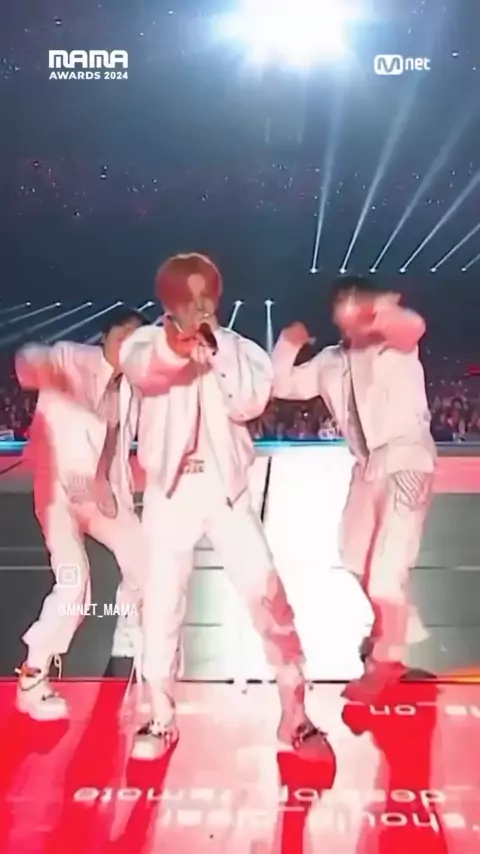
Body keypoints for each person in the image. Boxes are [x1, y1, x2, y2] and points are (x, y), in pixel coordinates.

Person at [119, 252, 330, 760]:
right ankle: (160, 716)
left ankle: (296, 715)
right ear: (168, 303)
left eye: (206, 295)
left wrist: (215, 351)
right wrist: (176, 346)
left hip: (227, 493)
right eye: (188, 298)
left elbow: (249, 404)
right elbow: (147, 372)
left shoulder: (239, 349)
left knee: (268, 598)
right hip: (170, 495)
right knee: (160, 608)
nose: (200, 306)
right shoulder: (143, 344)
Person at [272, 275, 436, 701]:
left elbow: (413, 326)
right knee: (354, 555)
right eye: (342, 303)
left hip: (406, 461)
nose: (348, 310)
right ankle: (395, 632)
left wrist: (379, 310)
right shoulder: (330, 361)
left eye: (354, 301)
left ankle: (387, 659)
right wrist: (288, 345)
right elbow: (282, 385)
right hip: (367, 469)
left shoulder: (393, 342)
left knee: (385, 577)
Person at [14, 307, 149, 720]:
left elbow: (122, 437)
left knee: (146, 561)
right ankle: (33, 676)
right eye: (122, 335)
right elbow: (30, 361)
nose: (128, 345)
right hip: (58, 489)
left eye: (137, 339)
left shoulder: (135, 386)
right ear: (105, 336)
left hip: (101, 493)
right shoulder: (72, 357)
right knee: (74, 582)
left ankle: (132, 638)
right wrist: (40, 369)